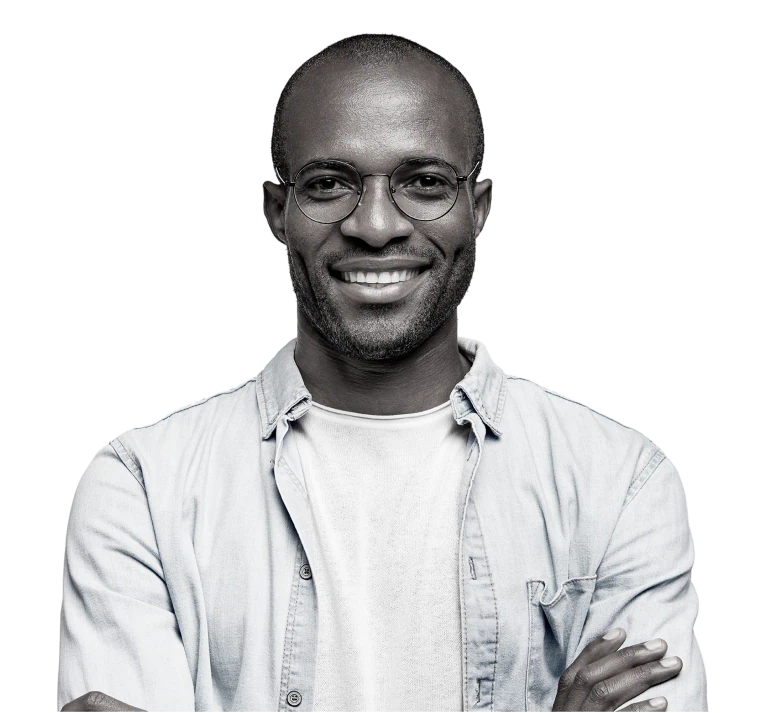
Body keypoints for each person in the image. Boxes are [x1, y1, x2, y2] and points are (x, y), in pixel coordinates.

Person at [58, 33, 706, 712]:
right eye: (328, 184)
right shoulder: (141, 489)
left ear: (480, 207)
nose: (374, 226)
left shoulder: (619, 481)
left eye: (424, 183)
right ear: (275, 209)